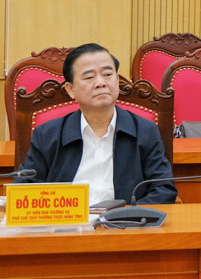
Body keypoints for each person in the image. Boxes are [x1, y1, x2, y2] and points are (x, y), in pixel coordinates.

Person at [17, 43, 176, 204]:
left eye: (107, 74)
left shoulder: (145, 131)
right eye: (89, 77)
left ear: (117, 81)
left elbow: (163, 189)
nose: (101, 83)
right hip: (67, 219)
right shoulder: (47, 135)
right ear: (71, 90)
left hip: (124, 219)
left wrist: (129, 213)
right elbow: (24, 190)